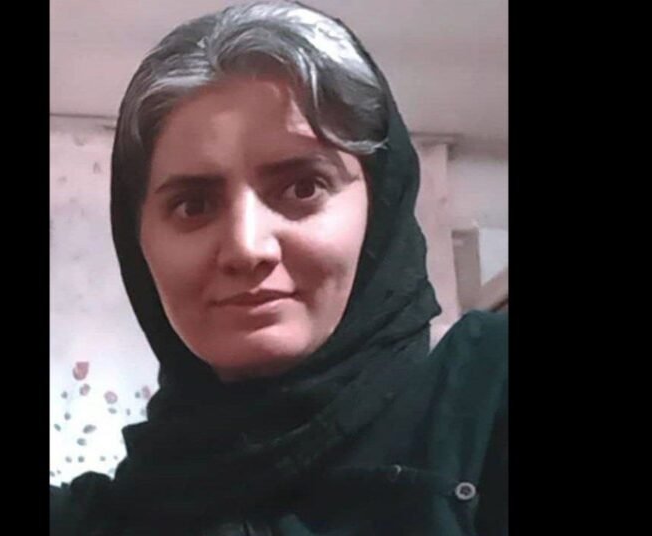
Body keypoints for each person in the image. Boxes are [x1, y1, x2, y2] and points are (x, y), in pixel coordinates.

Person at [50, 1, 507, 534]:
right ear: (138, 242)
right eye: (193, 205)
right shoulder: (106, 517)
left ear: (380, 206)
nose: (246, 248)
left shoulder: (487, 395)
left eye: (302, 188)